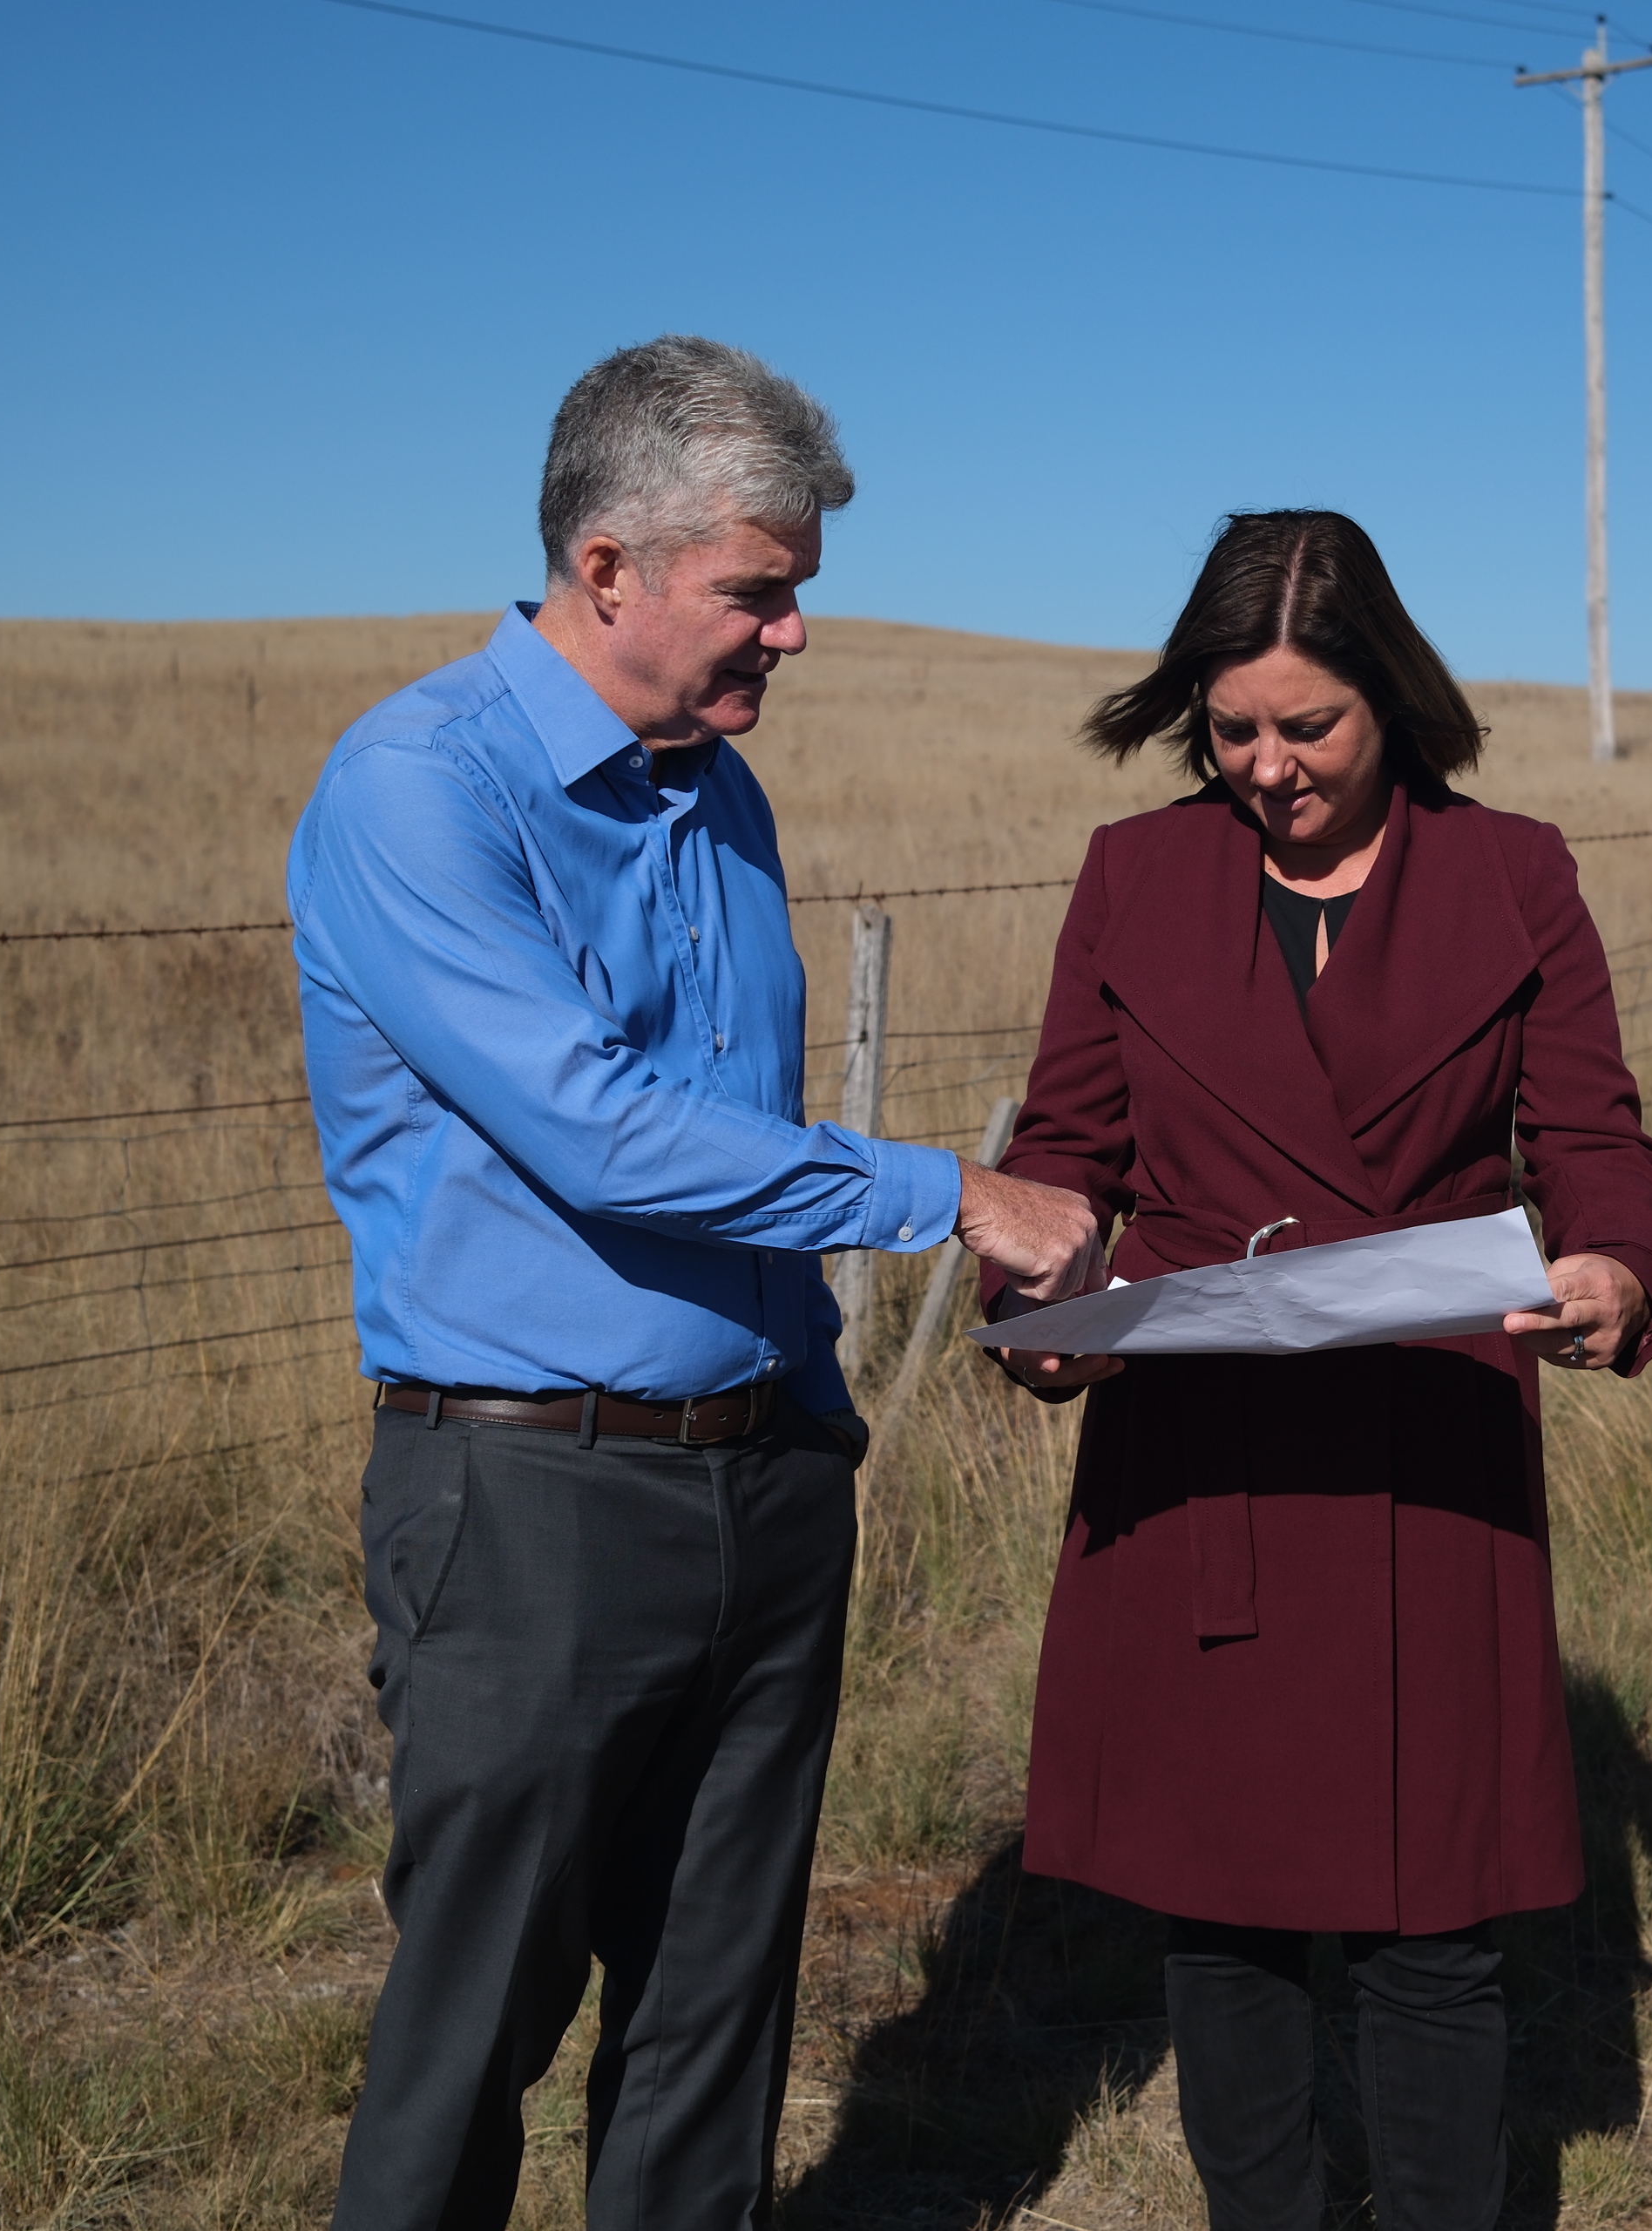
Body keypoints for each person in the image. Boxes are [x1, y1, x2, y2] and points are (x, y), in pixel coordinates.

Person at [288, 336, 1101, 2231]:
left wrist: (807, 1419)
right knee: (473, 2027)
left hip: (762, 1476)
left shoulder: (713, 787)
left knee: (710, 2029)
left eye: (794, 589)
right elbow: (599, 1128)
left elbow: (728, 1123)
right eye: (763, 586)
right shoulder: (421, 787)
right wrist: (947, 1192)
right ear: (607, 571)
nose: (794, 633)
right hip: (531, 1501)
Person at [983, 511, 1652, 2231]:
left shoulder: (1515, 872)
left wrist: (1617, 1265)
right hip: (1195, 1455)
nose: (1271, 765)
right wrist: (1043, 1295)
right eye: (1235, 731)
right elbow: (1067, 1158)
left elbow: (1593, 1142)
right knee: (1221, 1925)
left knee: (1431, 1928)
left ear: (1391, 696)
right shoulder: (1131, 876)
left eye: (1310, 727)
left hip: (1422, 1456)